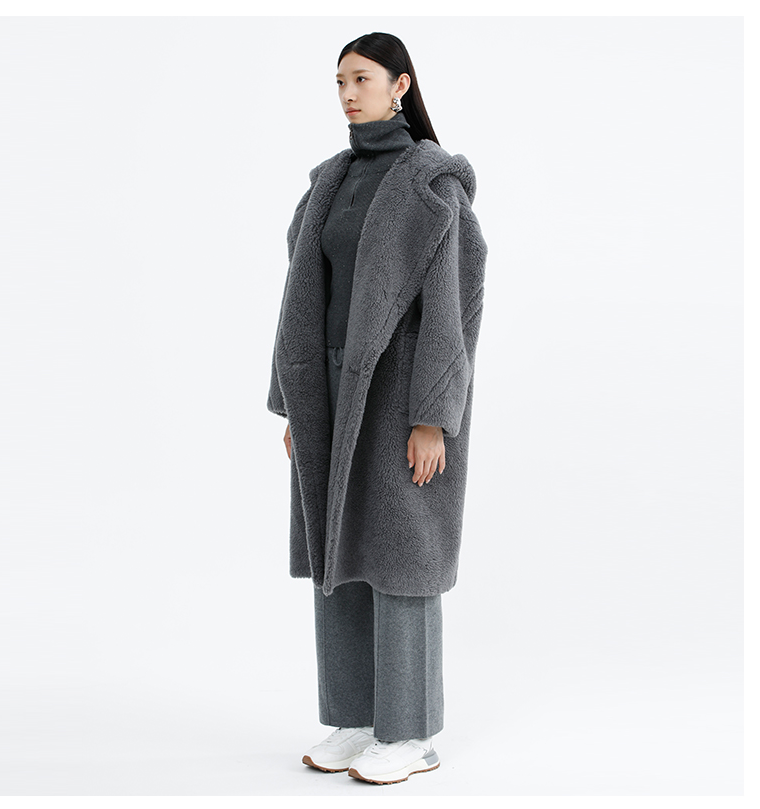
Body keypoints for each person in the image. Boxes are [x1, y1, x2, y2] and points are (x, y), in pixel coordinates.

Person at [266, 32, 488, 786]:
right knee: (340, 553)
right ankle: (357, 719)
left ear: (401, 85)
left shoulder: (431, 184)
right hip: (329, 391)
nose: (348, 94)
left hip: (400, 391)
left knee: (402, 558)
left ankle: (410, 733)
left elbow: (453, 309)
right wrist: (295, 405)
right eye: (339, 81)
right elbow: (301, 299)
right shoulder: (330, 181)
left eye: (362, 78)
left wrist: (434, 416)